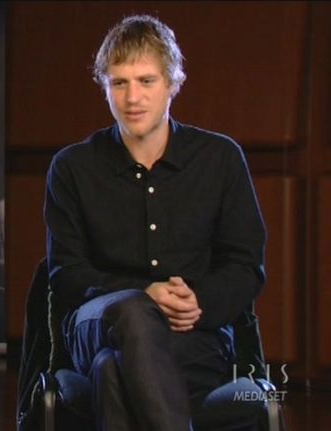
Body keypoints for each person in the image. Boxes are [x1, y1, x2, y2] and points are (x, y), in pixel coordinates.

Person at [45, 15, 266, 430]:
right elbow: (66, 274)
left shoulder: (219, 159)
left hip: (193, 333)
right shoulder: (72, 167)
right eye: (119, 83)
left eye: (146, 81)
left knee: (112, 370)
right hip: (97, 324)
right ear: (104, 87)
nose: (132, 98)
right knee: (132, 311)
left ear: (173, 83)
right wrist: (144, 293)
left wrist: (198, 301)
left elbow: (245, 265)